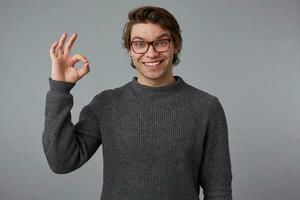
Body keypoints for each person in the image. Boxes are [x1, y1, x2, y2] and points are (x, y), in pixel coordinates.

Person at [42, 6, 232, 200]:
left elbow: (219, 191)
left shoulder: (206, 107)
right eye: (140, 44)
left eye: (161, 42)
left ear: (176, 45)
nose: (151, 53)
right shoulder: (105, 105)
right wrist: (60, 89)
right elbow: (62, 162)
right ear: (129, 50)